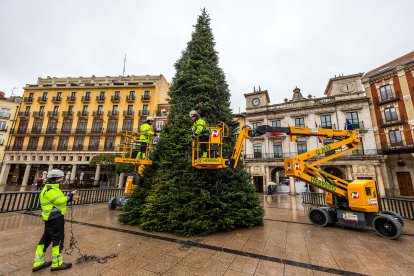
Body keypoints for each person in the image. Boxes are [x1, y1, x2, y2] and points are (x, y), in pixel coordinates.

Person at [32, 169, 79, 272]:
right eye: (60, 178)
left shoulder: (52, 188)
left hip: (51, 218)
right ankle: (57, 263)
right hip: (54, 218)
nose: (62, 179)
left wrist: (69, 197)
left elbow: (59, 201)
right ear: (54, 179)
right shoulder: (50, 190)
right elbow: (59, 201)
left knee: (45, 240)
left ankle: (38, 261)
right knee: (58, 239)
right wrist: (70, 196)